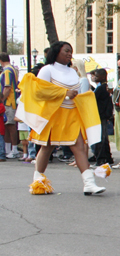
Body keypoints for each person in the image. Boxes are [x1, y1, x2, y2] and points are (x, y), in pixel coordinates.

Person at [17, 41, 106, 195]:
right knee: (46, 148)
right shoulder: (47, 70)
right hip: (54, 115)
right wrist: (63, 94)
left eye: (71, 51)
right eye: (66, 51)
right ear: (56, 52)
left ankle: (89, 183)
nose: (69, 54)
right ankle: (38, 182)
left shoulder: (73, 72)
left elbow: (77, 92)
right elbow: (39, 93)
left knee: (78, 147)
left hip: (72, 115)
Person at [92, 68, 114, 166]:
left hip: (101, 114)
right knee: (103, 137)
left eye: (97, 76)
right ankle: (107, 157)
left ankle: (101, 158)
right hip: (103, 114)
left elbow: (94, 98)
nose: (95, 78)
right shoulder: (102, 87)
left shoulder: (102, 88)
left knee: (100, 137)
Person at [1, 53, 20, 159]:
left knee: (11, 126)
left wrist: (2, 99)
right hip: (10, 101)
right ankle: (9, 149)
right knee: (8, 125)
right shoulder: (12, 68)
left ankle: (14, 149)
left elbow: (7, 87)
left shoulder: (7, 70)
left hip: (9, 101)